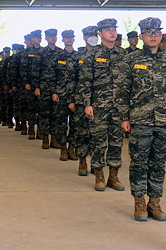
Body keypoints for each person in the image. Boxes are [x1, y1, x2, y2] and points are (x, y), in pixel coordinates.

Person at [118, 17, 166, 221]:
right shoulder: (131, 60)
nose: (153, 36)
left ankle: (154, 202)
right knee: (139, 163)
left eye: (156, 32)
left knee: (159, 163)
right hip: (140, 120)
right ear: (140, 36)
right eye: (148, 33)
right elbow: (122, 90)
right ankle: (139, 201)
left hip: (164, 121)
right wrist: (124, 117)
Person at [77, 18, 126, 192]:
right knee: (98, 142)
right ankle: (99, 176)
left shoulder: (124, 55)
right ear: (100, 33)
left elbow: (128, 82)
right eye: (107, 30)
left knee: (116, 142)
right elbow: (84, 82)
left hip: (118, 107)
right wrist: (87, 103)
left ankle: (114, 176)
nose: (112, 32)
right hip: (99, 106)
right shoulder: (92, 55)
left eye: (113, 29)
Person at [73, 25, 98, 176]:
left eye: (95, 34)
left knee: (98, 135)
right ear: (84, 37)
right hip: (81, 101)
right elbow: (71, 79)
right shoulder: (78, 56)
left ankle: (96, 164)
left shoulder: (103, 54)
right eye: (89, 34)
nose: (92, 36)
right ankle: (82, 161)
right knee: (82, 133)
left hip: (100, 101)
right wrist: (71, 100)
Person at [52, 30, 79, 162]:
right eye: (66, 37)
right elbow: (52, 75)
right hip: (61, 94)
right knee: (61, 123)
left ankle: (72, 148)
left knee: (75, 123)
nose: (69, 39)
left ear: (74, 39)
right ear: (62, 40)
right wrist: (54, 92)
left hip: (75, 95)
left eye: (71, 37)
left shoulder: (79, 56)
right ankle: (63, 148)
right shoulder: (58, 55)